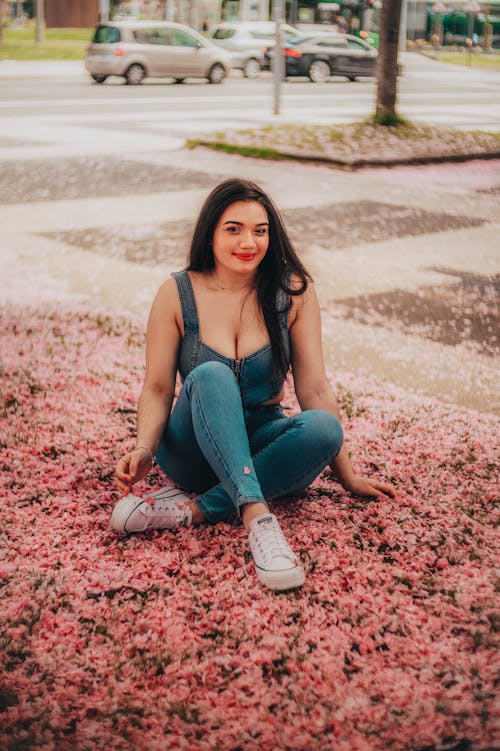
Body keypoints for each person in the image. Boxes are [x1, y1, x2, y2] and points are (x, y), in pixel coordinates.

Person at [111, 178, 394, 591]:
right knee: (210, 374)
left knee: (324, 428)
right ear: (210, 234)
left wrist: (346, 474)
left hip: (262, 442)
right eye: (234, 229)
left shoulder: (292, 292)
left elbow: (314, 388)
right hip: (191, 451)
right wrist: (144, 450)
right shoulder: (176, 293)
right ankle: (258, 518)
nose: (249, 242)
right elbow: (157, 388)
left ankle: (192, 511)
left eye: (260, 230)